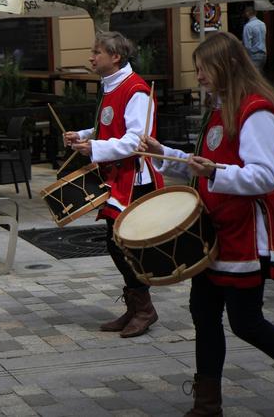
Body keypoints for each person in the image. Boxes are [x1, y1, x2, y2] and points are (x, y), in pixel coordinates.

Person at [138, 31, 274, 417]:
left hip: (244, 230)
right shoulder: (221, 107)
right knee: (204, 315)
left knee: (247, 322)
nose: (199, 76)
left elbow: (263, 176)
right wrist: (166, 153)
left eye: (203, 68)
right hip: (215, 229)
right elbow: (205, 164)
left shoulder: (256, 110)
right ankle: (207, 404)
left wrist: (213, 173)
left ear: (227, 66)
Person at [63, 31, 164, 338]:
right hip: (118, 176)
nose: (91, 57)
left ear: (115, 56)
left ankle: (143, 308)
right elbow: (108, 125)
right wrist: (84, 135)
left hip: (135, 179)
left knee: (124, 245)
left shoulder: (135, 90)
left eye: (97, 52)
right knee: (117, 243)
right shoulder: (111, 86)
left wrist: (94, 148)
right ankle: (138, 306)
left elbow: (136, 141)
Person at [242, 6, 267, 73]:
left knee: (253, 77)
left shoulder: (248, 26)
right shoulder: (262, 24)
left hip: (254, 55)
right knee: (260, 75)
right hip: (263, 55)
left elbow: (247, 46)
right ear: (255, 13)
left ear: (247, 13)